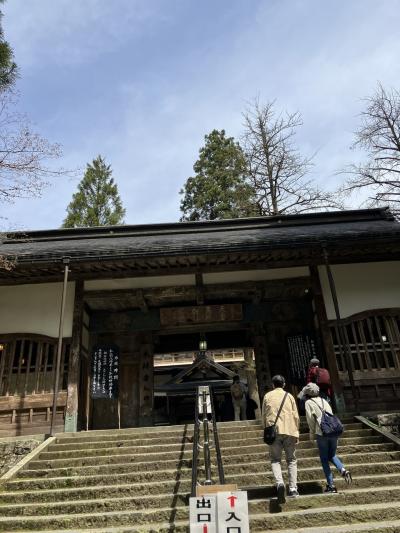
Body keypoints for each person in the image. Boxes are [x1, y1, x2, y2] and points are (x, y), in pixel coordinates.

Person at [302, 382, 352, 493]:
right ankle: (343, 469)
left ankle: (331, 485)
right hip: (333, 431)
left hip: (322, 433)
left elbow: (310, 420)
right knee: (332, 455)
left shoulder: (309, 403)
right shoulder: (324, 400)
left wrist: (311, 434)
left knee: (324, 459)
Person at [262, 375, 300, 502]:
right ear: (283, 384)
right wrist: (296, 432)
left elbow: (264, 415)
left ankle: (280, 483)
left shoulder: (267, 396)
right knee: (291, 460)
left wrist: (266, 430)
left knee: (275, 460)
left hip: (274, 431)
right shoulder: (289, 396)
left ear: (273, 385)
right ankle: (293, 488)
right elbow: (296, 416)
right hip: (289, 430)